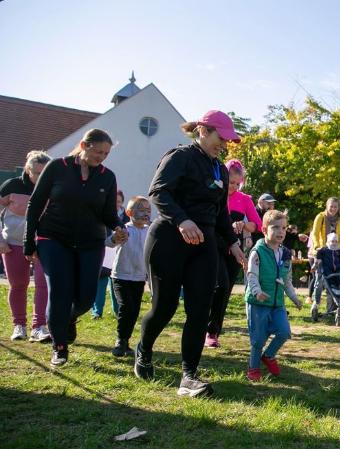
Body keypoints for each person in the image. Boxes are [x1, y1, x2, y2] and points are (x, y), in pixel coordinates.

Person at [134, 110, 246, 397]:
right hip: (169, 238)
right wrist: (183, 220)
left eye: (227, 140)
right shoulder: (180, 157)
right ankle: (144, 350)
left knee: (200, 309)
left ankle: (189, 376)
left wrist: (232, 242)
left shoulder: (220, 169)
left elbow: (221, 212)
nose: (224, 144)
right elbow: (158, 192)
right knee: (165, 307)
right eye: (221, 138)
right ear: (203, 131)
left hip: (205, 243)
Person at [24, 129, 127, 366]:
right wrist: (29, 242)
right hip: (53, 239)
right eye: (98, 151)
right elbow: (35, 204)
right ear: (83, 145)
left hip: (90, 242)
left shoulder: (107, 177)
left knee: (85, 297)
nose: (101, 157)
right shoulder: (57, 167)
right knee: (59, 291)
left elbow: (108, 214)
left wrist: (119, 227)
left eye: (106, 153)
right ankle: (59, 347)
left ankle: (67, 318)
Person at [205, 159, 262, 348]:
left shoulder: (244, 199)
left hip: (232, 249)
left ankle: (213, 332)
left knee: (225, 290)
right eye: (231, 182)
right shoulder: (213, 192)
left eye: (238, 183)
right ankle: (204, 327)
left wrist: (243, 224)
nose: (234, 186)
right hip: (211, 247)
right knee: (217, 285)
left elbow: (258, 225)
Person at [244, 209, 302, 381]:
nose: (280, 232)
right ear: (264, 230)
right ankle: (253, 368)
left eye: (283, 228)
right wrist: (257, 292)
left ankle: (268, 356)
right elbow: (251, 275)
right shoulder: (258, 252)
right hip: (258, 302)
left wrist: (294, 298)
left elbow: (287, 280)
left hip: (277, 303)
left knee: (284, 332)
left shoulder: (285, 254)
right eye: (275, 227)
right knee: (258, 339)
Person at [1, 151, 51, 342]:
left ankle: (39, 326)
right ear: (28, 170)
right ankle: (18, 325)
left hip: (43, 243)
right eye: (37, 173)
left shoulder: (52, 188)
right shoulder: (12, 186)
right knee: (18, 285)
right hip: (12, 243)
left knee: (42, 284)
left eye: (45, 173)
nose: (41, 177)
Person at [107, 196, 151, 357]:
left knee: (134, 310)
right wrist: (114, 238)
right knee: (126, 307)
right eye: (141, 210)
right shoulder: (123, 229)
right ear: (129, 212)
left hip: (139, 278)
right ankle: (120, 340)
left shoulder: (150, 231)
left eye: (148, 210)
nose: (145, 214)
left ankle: (126, 340)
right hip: (121, 276)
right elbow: (109, 243)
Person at [309, 198, 340, 315]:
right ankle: (316, 304)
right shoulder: (321, 217)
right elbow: (314, 233)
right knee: (320, 280)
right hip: (322, 251)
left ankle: (331, 308)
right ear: (326, 206)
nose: (333, 209)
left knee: (334, 279)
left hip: (335, 252)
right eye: (331, 206)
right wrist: (318, 246)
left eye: (335, 207)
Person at [311, 232, 340, 318]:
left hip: (336, 274)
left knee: (332, 292)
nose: (334, 243)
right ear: (328, 241)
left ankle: (330, 311)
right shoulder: (323, 250)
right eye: (332, 241)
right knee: (319, 286)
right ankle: (315, 305)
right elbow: (318, 261)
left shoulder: (338, 251)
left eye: (336, 241)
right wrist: (315, 266)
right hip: (325, 274)